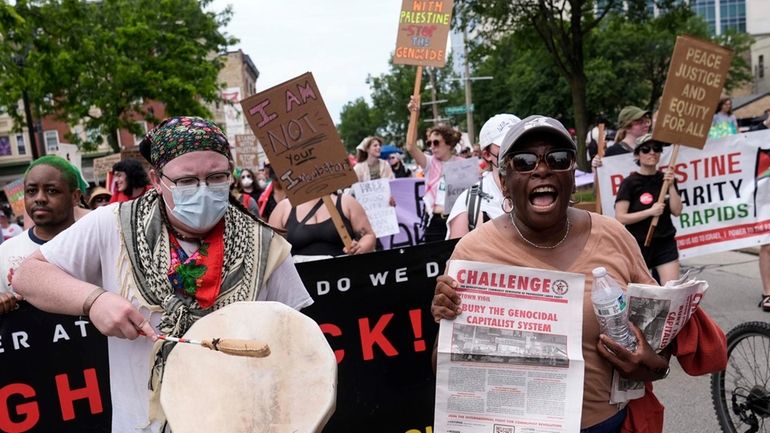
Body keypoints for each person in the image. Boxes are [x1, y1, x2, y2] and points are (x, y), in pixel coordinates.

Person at [13, 116, 313, 432]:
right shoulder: (112, 225)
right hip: (144, 424)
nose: (204, 190)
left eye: (217, 177)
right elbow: (28, 274)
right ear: (157, 179)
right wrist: (94, 301)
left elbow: (295, 342)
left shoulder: (264, 244)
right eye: (186, 181)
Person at [431, 115, 725, 432]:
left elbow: (658, 352)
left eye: (558, 159)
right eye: (524, 161)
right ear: (504, 179)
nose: (542, 169)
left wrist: (651, 367)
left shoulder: (614, 237)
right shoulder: (473, 252)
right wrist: (446, 317)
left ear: (572, 177)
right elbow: (446, 371)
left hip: (608, 424)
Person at [0, 155, 85, 313]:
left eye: (52, 191)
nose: (40, 198)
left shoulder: (95, 243)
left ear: (75, 197)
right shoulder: (5, 252)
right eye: (31, 191)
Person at [614, 134, 683, 285]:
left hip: (665, 242)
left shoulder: (667, 179)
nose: (652, 152)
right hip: (637, 244)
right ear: (638, 155)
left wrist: (671, 186)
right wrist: (650, 212)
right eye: (646, 149)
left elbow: (677, 211)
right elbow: (620, 217)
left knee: (671, 290)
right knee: (643, 295)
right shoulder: (630, 183)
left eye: (656, 149)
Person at [446, 113, 521, 239]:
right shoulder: (469, 202)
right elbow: (456, 255)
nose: (514, 148)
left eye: (519, 141)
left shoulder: (547, 191)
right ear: (487, 154)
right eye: (505, 144)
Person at [407, 99, 463, 242]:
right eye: (429, 143)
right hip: (436, 221)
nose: (432, 146)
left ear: (449, 144)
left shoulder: (463, 165)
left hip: (459, 219)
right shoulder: (430, 163)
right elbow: (410, 147)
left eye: (436, 142)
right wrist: (415, 114)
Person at [268, 192, 376, 259]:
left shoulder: (346, 202)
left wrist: (360, 248)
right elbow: (270, 248)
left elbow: (368, 235)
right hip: (300, 282)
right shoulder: (284, 208)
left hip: (343, 277)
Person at [750, 109, 770, 311]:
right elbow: (746, 143)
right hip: (766, 199)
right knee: (767, 246)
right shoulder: (760, 132)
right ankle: (767, 292)